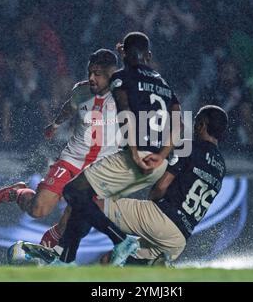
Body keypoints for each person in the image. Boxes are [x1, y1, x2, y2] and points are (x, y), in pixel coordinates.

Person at [11, 105, 227, 266]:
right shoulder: (221, 166)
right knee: (111, 262)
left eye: (196, 121)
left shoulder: (190, 146)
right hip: (179, 239)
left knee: (88, 201)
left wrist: (152, 197)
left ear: (201, 124)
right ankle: (155, 268)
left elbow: (162, 186)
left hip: (162, 218)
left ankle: (62, 256)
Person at [45, 31, 183, 265]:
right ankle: (65, 259)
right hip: (159, 164)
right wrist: (162, 155)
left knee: (73, 191)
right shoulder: (163, 84)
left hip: (136, 158)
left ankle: (121, 240)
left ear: (124, 55)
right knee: (86, 198)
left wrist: (135, 152)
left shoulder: (121, 77)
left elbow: (125, 112)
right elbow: (179, 122)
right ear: (147, 55)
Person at [0, 49, 120, 243]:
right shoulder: (81, 90)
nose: (92, 78)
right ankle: (16, 192)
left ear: (112, 73)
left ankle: (46, 253)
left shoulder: (126, 94)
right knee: (38, 209)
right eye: (89, 73)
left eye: (98, 74)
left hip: (100, 169)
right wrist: (56, 124)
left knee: (74, 224)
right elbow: (70, 106)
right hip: (72, 160)